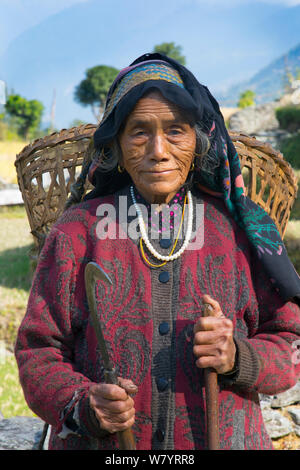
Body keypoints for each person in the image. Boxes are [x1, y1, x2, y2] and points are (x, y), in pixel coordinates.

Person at [15, 53, 300, 450]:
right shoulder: (77, 232)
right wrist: (84, 404)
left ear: (199, 142)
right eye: (139, 132)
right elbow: (37, 350)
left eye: (176, 131)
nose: (158, 150)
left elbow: (291, 342)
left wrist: (238, 356)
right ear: (116, 144)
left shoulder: (239, 231)